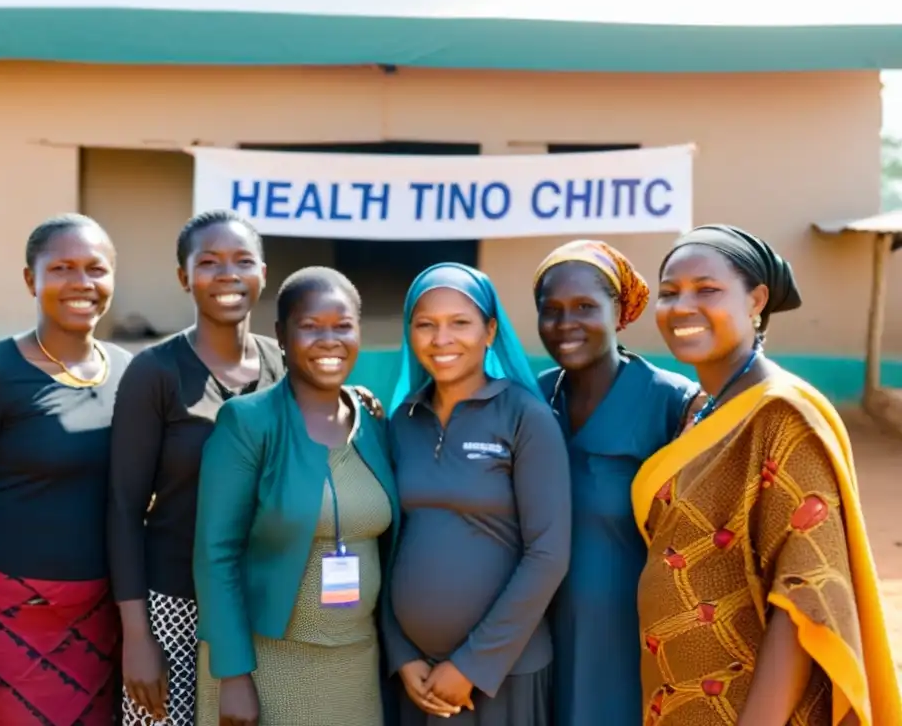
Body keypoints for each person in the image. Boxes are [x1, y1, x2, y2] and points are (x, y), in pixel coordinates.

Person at [108, 212, 384, 726]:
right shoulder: (155, 373)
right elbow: (124, 508)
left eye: (242, 260)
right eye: (208, 262)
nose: (227, 273)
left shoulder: (282, 363)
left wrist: (353, 397)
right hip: (174, 602)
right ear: (183, 276)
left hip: (252, 603)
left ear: (262, 271)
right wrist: (137, 634)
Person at [633, 224, 901, 726]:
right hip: (675, 701)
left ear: (756, 300)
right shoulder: (699, 411)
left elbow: (805, 593)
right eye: (669, 293)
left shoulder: (782, 416)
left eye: (707, 290)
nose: (682, 306)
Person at [0, 213, 131, 726]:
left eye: (95, 269)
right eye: (61, 267)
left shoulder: (132, 373)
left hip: (102, 623)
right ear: (29, 280)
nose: (81, 283)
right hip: (5, 619)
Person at [194, 266, 399, 726]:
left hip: (355, 665)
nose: (330, 340)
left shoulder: (373, 426)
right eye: (311, 327)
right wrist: (232, 673)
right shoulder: (248, 424)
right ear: (281, 336)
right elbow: (216, 553)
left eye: (343, 326)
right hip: (267, 663)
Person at [383, 262, 571, 726]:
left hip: (503, 674)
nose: (441, 338)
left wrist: (472, 664)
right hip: (417, 677)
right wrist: (401, 654)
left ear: (489, 331)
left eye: (459, 323)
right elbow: (385, 548)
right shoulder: (401, 422)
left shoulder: (525, 417)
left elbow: (548, 554)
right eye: (425, 324)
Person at [531, 240, 700, 726]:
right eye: (552, 310)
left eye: (586, 306)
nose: (567, 324)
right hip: (538, 631)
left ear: (620, 312)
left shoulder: (671, 402)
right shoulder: (532, 399)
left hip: (629, 633)